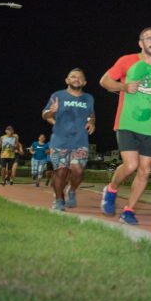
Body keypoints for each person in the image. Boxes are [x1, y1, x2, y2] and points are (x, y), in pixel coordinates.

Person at [99, 27, 151, 225]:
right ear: (141, 43)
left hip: (149, 126)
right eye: (149, 38)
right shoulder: (127, 61)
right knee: (131, 165)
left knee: (145, 170)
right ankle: (111, 189)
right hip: (126, 122)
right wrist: (124, 87)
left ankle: (129, 210)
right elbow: (105, 81)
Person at [42, 68, 96, 211]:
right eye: (73, 76)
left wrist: (92, 122)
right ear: (67, 80)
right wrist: (52, 112)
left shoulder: (89, 98)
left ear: (84, 82)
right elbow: (45, 115)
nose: (76, 79)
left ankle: (72, 190)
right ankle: (59, 200)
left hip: (80, 140)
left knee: (78, 170)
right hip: (60, 140)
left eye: (79, 77)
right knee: (61, 171)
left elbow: (91, 114)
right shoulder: (57, 95)